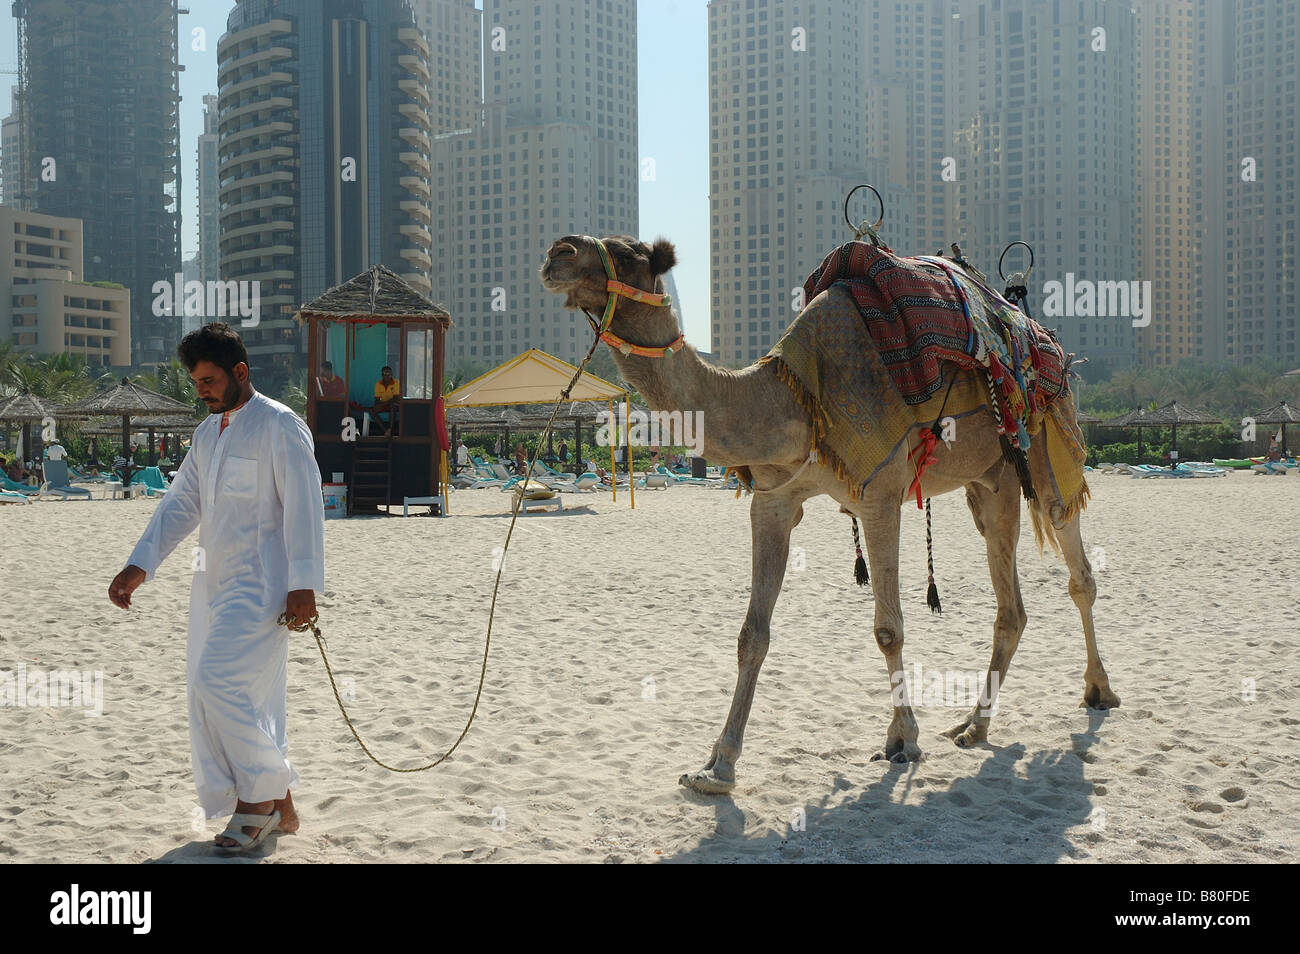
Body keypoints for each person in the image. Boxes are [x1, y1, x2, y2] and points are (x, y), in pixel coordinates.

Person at [107, 322, 325, 854]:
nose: (200, 389)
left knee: (217, 681)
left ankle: (257, 803)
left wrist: (304, 585)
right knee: (243, 696)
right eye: (196, 381)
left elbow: (305, 504)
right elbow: (182, 503)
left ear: (240, 372)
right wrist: (140, 564)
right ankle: (285, 807)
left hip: (267, 586)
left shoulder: (280, 425)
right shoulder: (207, 434)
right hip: (213, 586)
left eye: (209, 380)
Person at [372, 365, 400, 435]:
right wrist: (378, 405)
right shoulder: (378, 384)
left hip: (394, 405)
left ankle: (390, 429)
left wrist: (382, 404)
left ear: (391, 374)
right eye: (385, 373)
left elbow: (395, 399)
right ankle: (386, 431)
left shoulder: (396, 383)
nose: (387, 375)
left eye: (389, 373)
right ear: (382, 375)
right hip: (384, 404)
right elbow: (377, 400)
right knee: (371, 410)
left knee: (392, 405)